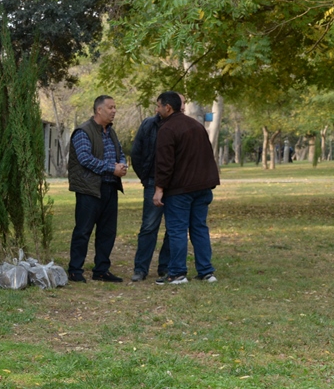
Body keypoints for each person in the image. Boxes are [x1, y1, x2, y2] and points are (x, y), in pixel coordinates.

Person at [152, 91, 221, 284]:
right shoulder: (196, 126)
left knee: (177, 230)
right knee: (199, 228)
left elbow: (164, 164)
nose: (157, 110)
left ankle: (177, 273)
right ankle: (206, 271)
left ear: (168, 107)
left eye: (158, 106)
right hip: (202, 187)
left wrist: (159, 189)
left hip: (180, 190)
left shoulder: (167, 129)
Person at [67, 95, 128, 283]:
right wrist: (111, 168)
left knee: (107, 232)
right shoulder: (83, 131)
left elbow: (120, 152)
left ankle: (101, 270)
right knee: (83, 231)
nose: (114, 111)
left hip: (110, 187)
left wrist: (122, 165)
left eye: (115, 107)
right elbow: (85, 159)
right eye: (110, 107)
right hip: (89, 189)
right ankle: (75, 270)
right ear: (99, 110)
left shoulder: (111, 132)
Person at [129, 97, 173, 282]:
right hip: (152, 182)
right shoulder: (149, 125)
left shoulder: (181, 125)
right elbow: (136, 153)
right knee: (149, 226)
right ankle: (141, 268)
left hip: (175, 185)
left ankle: (166, 267)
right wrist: (146, 179)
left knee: (173, 228)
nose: (156, 108)